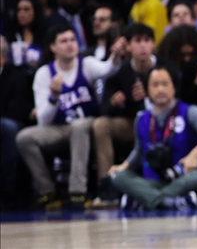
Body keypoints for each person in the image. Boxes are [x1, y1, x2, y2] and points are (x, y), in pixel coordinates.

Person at [15, 25, 125, 209]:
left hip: (87, 125)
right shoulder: (44, 74)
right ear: (53, 47)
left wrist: (115, 56)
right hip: (58, 128)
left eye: (73, 40)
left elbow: (108, 69)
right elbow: (43, 120)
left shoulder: (86, 64)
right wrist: (53, 98)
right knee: (24, 138)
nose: (70, 45)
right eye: (64, 41)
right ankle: (47, 191)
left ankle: (77, 191)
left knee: (79, 126)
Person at [109, 67, 197, 210]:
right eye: (155, 85)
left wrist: (195, 155)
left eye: (165, 84)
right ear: (147, 90)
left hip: (182, 179)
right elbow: (139, 150)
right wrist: (124, 165)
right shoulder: (141, 119)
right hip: (153, 181)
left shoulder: (188, 112)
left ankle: (147, 200)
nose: (160, 89)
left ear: (174, 88)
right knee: (118, 176)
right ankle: (169, 202)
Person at [93, 24, 176, 208]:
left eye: (147, 40)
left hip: (166, 124)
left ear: (153, 44)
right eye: (137, 41)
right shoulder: (120, 70)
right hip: (132, 123)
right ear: (128, 46)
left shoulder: (165, 68)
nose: (143, 46)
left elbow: (178, 101)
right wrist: (116, 104)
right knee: (101, 125)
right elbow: (104, 108)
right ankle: (107, 188)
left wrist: (148, 98)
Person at [0, 36, 35, 206]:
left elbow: (20, 109)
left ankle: (8, 191)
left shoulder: (16, 75)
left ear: (2, 58)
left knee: (8, 128)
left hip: (11, 122)